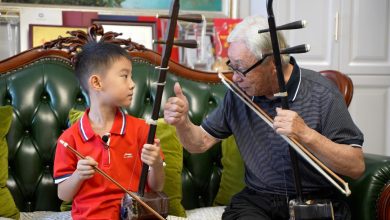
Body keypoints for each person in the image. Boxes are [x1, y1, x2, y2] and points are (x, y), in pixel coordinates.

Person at [164, 16, 364, 220]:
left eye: (241, 68)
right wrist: (183, 123)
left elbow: (356, 167)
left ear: (274, 64)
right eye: (231, 66)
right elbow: (199, 143)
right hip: (258, 201)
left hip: (315, 202)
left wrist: (306, 135)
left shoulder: (322, 94)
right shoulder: (238, 95)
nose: (235, 77)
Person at [53, 42, 165, 220]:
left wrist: (156, 163)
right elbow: (63, 195)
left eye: (131, 76)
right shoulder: (69, 139)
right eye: (125, 76)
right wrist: (78, 176)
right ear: (96, 82)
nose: (133, 84)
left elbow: (157, 186)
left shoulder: (142, 129)